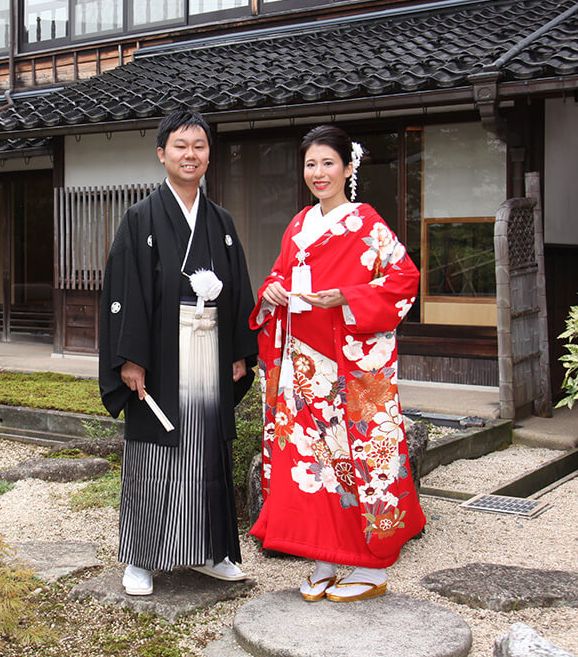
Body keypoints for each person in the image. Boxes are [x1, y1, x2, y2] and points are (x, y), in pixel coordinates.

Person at [248, 124, 424, 602]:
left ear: (349, 167)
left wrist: (346, 296)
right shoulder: (299, 224)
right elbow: (279, 274)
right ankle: (324, 560)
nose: (319, 172)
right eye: (311, 164)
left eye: (328, 163)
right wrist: (272, 291)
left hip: (347, 365)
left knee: (356, 462)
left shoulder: (366, 223)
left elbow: (404, 279)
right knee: (312, 468)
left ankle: (370, 568)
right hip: (301, 365)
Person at [99, 110, 258, 597]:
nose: (191, 155)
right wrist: (130, 358)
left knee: (206, 446)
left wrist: (238, 351)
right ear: (162, 153)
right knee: (156, 449)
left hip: (209, 350)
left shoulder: (220, 221)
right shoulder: (140, 217)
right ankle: (141, 558)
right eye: (181, 146)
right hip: (161, 354)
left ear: (209, 155)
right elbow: (125, 290)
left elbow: (237, 290)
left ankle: (210, 551)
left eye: (199, 146)